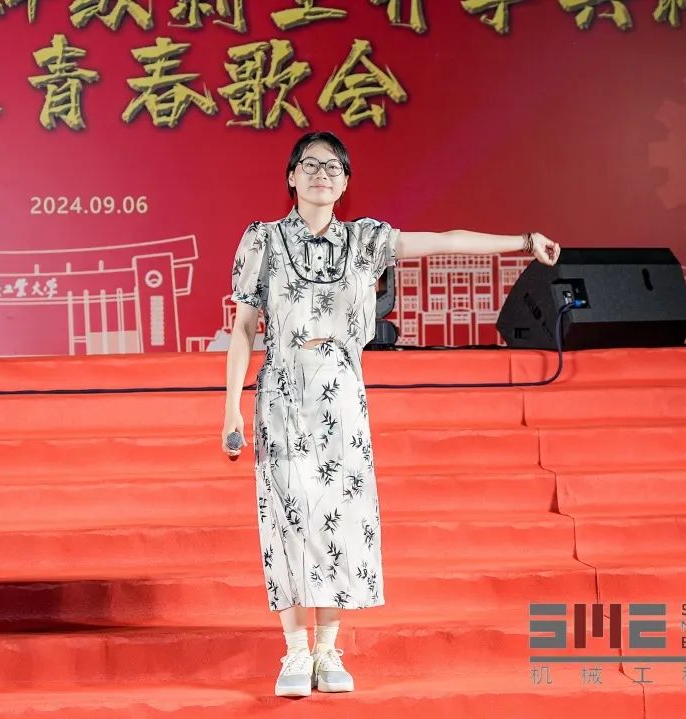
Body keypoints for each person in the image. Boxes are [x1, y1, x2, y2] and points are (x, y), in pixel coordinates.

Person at [222, 131, 560, 697]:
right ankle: (295, 650)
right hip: (281, 393)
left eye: (333, 167)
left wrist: (524, 242)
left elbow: (446, 240)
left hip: (341, 395)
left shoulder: (367, 240)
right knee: (287, 518)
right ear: (291, 177)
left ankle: (328, 649)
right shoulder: (262, 240)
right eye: (310, 165)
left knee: (337, 516)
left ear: (346, 183)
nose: (321, 174)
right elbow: (243, 327)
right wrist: (230, 407)